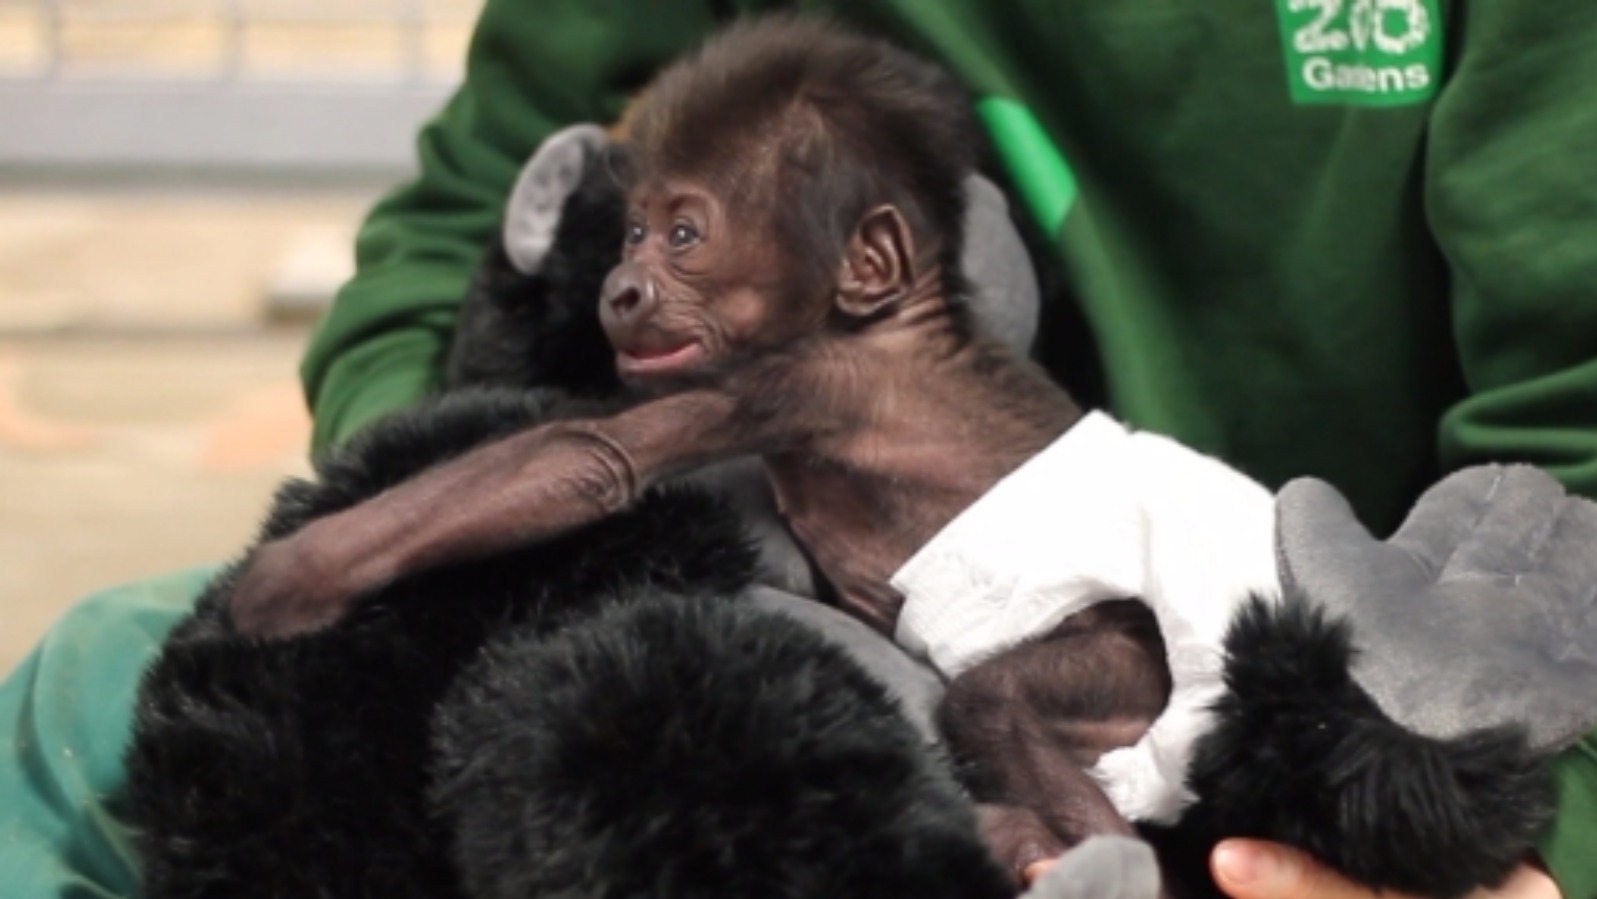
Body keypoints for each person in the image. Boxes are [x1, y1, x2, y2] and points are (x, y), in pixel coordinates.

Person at [2, 3, 1595, 898]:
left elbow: (591, 470)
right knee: (99, 689)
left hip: (1283, 719)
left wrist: (347, 548)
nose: (635, 280)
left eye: (684, 238)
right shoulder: (847, 288)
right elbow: (458, 217)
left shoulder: (818, 375)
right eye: (636, 234)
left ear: (875, 266)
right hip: (972, 662)